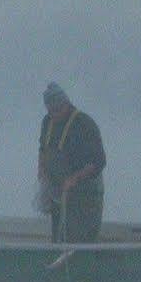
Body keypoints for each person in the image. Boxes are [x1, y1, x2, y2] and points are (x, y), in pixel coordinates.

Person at [37, 82, 105, 243]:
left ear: (66, 103)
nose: (55, 114)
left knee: (79, 238)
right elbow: (42, 148)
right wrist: (41, 169)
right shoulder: (47, 122)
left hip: (85, 196)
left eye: (58, 109)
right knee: (59, 235)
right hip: (58, 193)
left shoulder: (84, 124)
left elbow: (99, 161)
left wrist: (74, 179)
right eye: (51, 110)